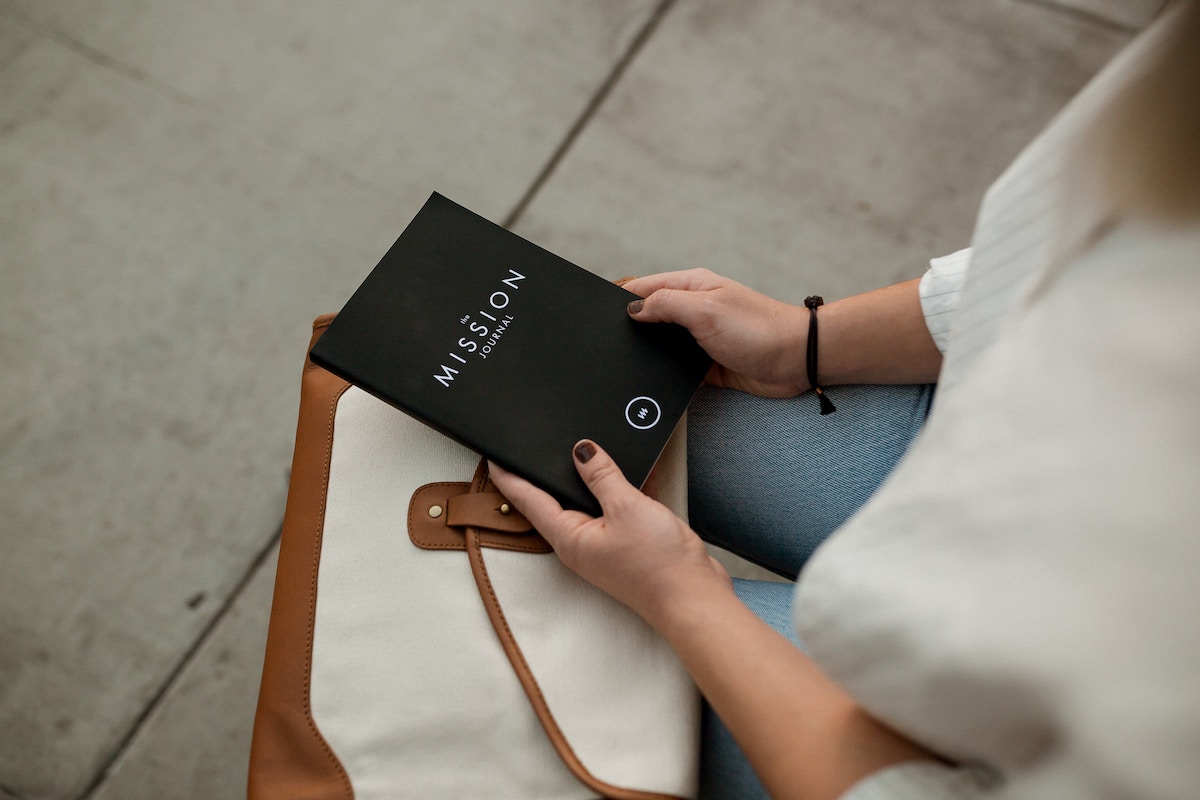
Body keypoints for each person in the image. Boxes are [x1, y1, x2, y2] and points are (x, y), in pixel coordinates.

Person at [491, 3, 1200, 798]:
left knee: (508, 663)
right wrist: (805, 343)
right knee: (530, 405)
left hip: (974, 742)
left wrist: (681, 596)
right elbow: (1052, 245)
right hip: (993, 438)